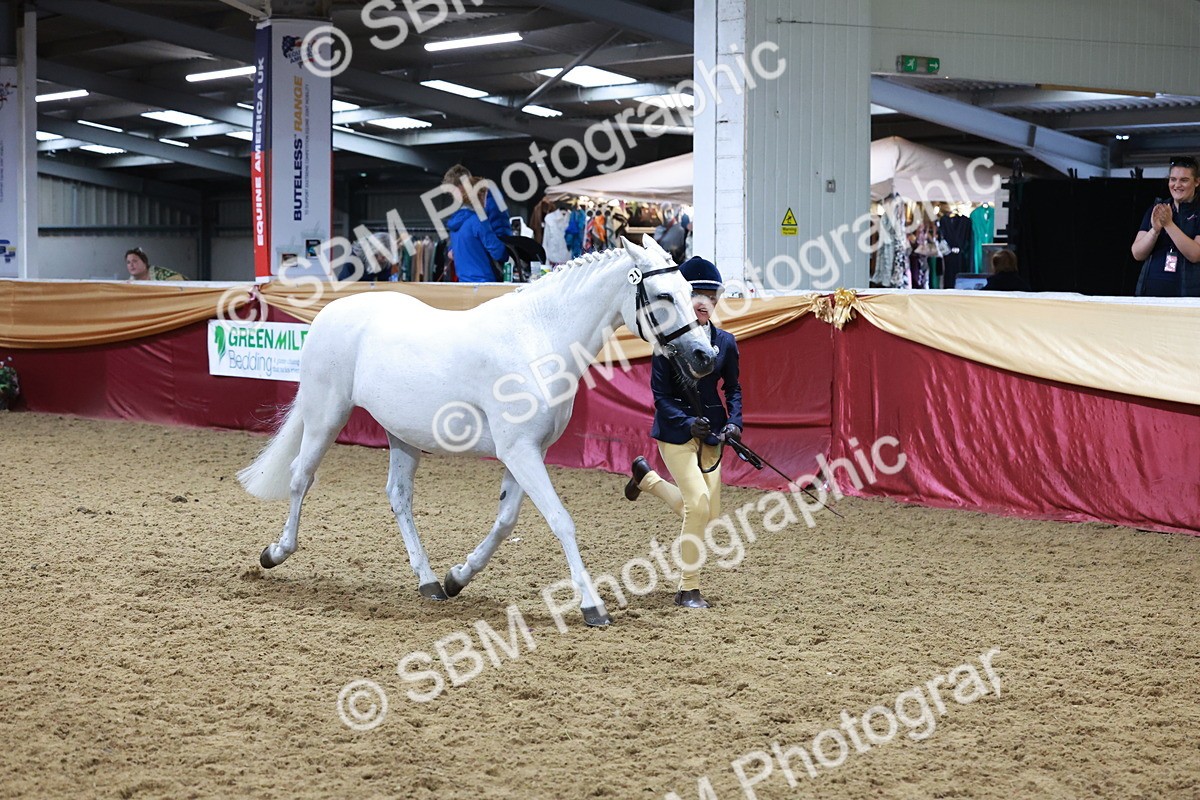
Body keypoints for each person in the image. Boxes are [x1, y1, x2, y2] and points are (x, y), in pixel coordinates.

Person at [624, 256, 742, 610]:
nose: (703, 302)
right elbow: (660, 397)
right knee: (699, 504)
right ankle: (688, 588)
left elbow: (733, 389)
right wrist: (687, 422)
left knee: (708, 513)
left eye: (710, 295)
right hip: (675, 433)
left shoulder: (726, 342)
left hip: (713, 436)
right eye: (696, 294)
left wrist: (734, 422)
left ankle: (648, 482)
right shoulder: (666, 345)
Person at [1131, 156, 1200, 297]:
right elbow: (1137, 253)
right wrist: (1155, 231)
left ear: (1197, 182)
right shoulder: (1157, 209)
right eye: (1173, 179)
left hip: (1186, 298)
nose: (1177, 185)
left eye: (1184, 180)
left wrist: (1168, 224)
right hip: (1150, 294)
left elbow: (1195, 254)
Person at [442, 165, 509, 283]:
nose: (454, 197)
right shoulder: (469, 215)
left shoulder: (489, 202)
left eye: (454, 192)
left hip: (480, 269)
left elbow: (501, 231)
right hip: (482, 273)